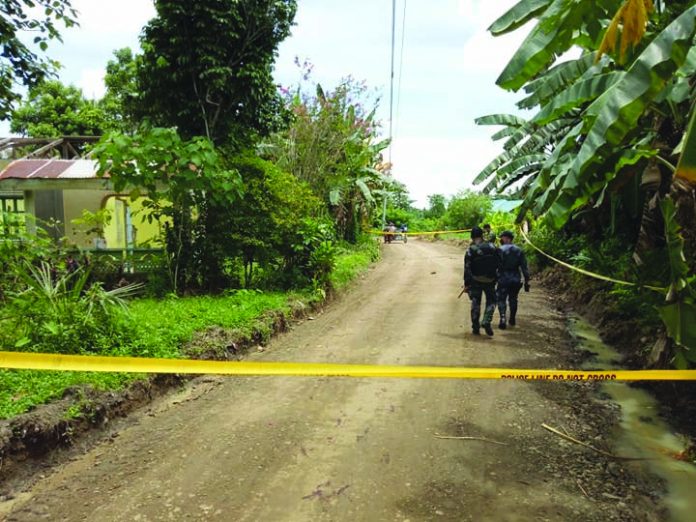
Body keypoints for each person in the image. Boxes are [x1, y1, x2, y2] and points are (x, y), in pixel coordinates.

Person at [464, 226, 500, 336]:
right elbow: (499, 263)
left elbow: (467, 268)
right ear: (482, 235)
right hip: (490, 280)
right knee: (492, 301)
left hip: (476, 280)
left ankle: (475, 326)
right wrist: (497, 278)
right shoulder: (492, 246)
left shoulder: (471, 250)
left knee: (476, 302)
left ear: (472, 237)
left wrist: (467, 284)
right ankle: (486, 321)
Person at [496, 230, 530, 329]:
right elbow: (524, 267)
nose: (501, 239)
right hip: (515, 278)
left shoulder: (499, 250)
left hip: (503, 278)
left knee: (501, 298)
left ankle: (502, 318)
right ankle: (512, 318)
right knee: (513, 298)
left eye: (502, 237)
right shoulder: (519, 250)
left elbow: (495, 265)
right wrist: (527, 280)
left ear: (507, 238)